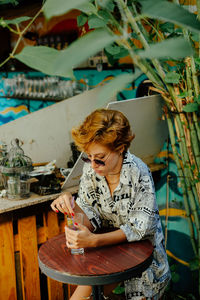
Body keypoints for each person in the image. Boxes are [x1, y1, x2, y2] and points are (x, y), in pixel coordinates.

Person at [51, 108, 171, 300]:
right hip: (108, 257)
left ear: (120, 147)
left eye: (99, 158)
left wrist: (94, 240)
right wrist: (69, 204)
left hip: (142, 262)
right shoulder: (92, 171)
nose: (92, 165)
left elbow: (141, 228)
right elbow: (89, 214)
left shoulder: (138, 172)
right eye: (88, 157)